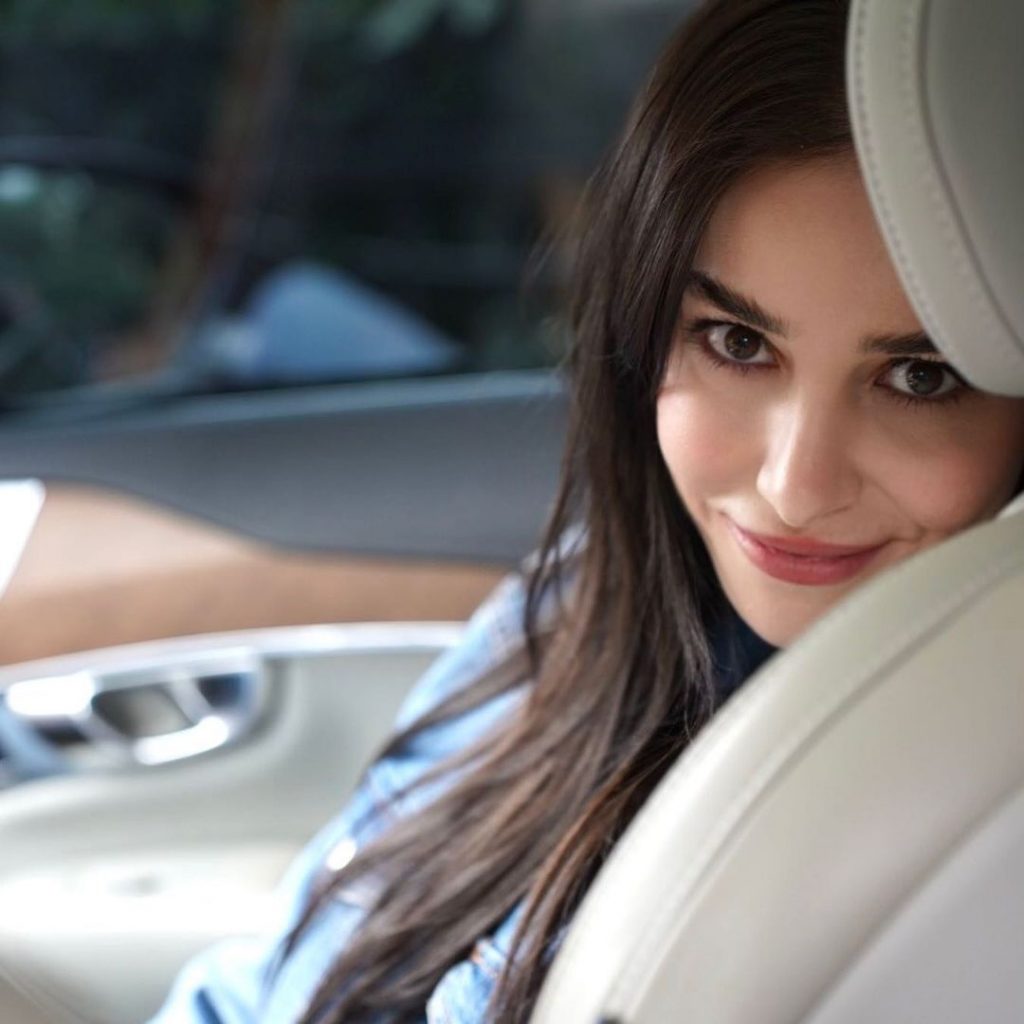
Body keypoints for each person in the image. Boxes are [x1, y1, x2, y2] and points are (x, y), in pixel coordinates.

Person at [151, 0, 1024, 1021]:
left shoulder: (973, 828)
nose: (795, 482)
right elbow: (256, 989)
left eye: (919, 377)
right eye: (737, 343)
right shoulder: (581, 597)